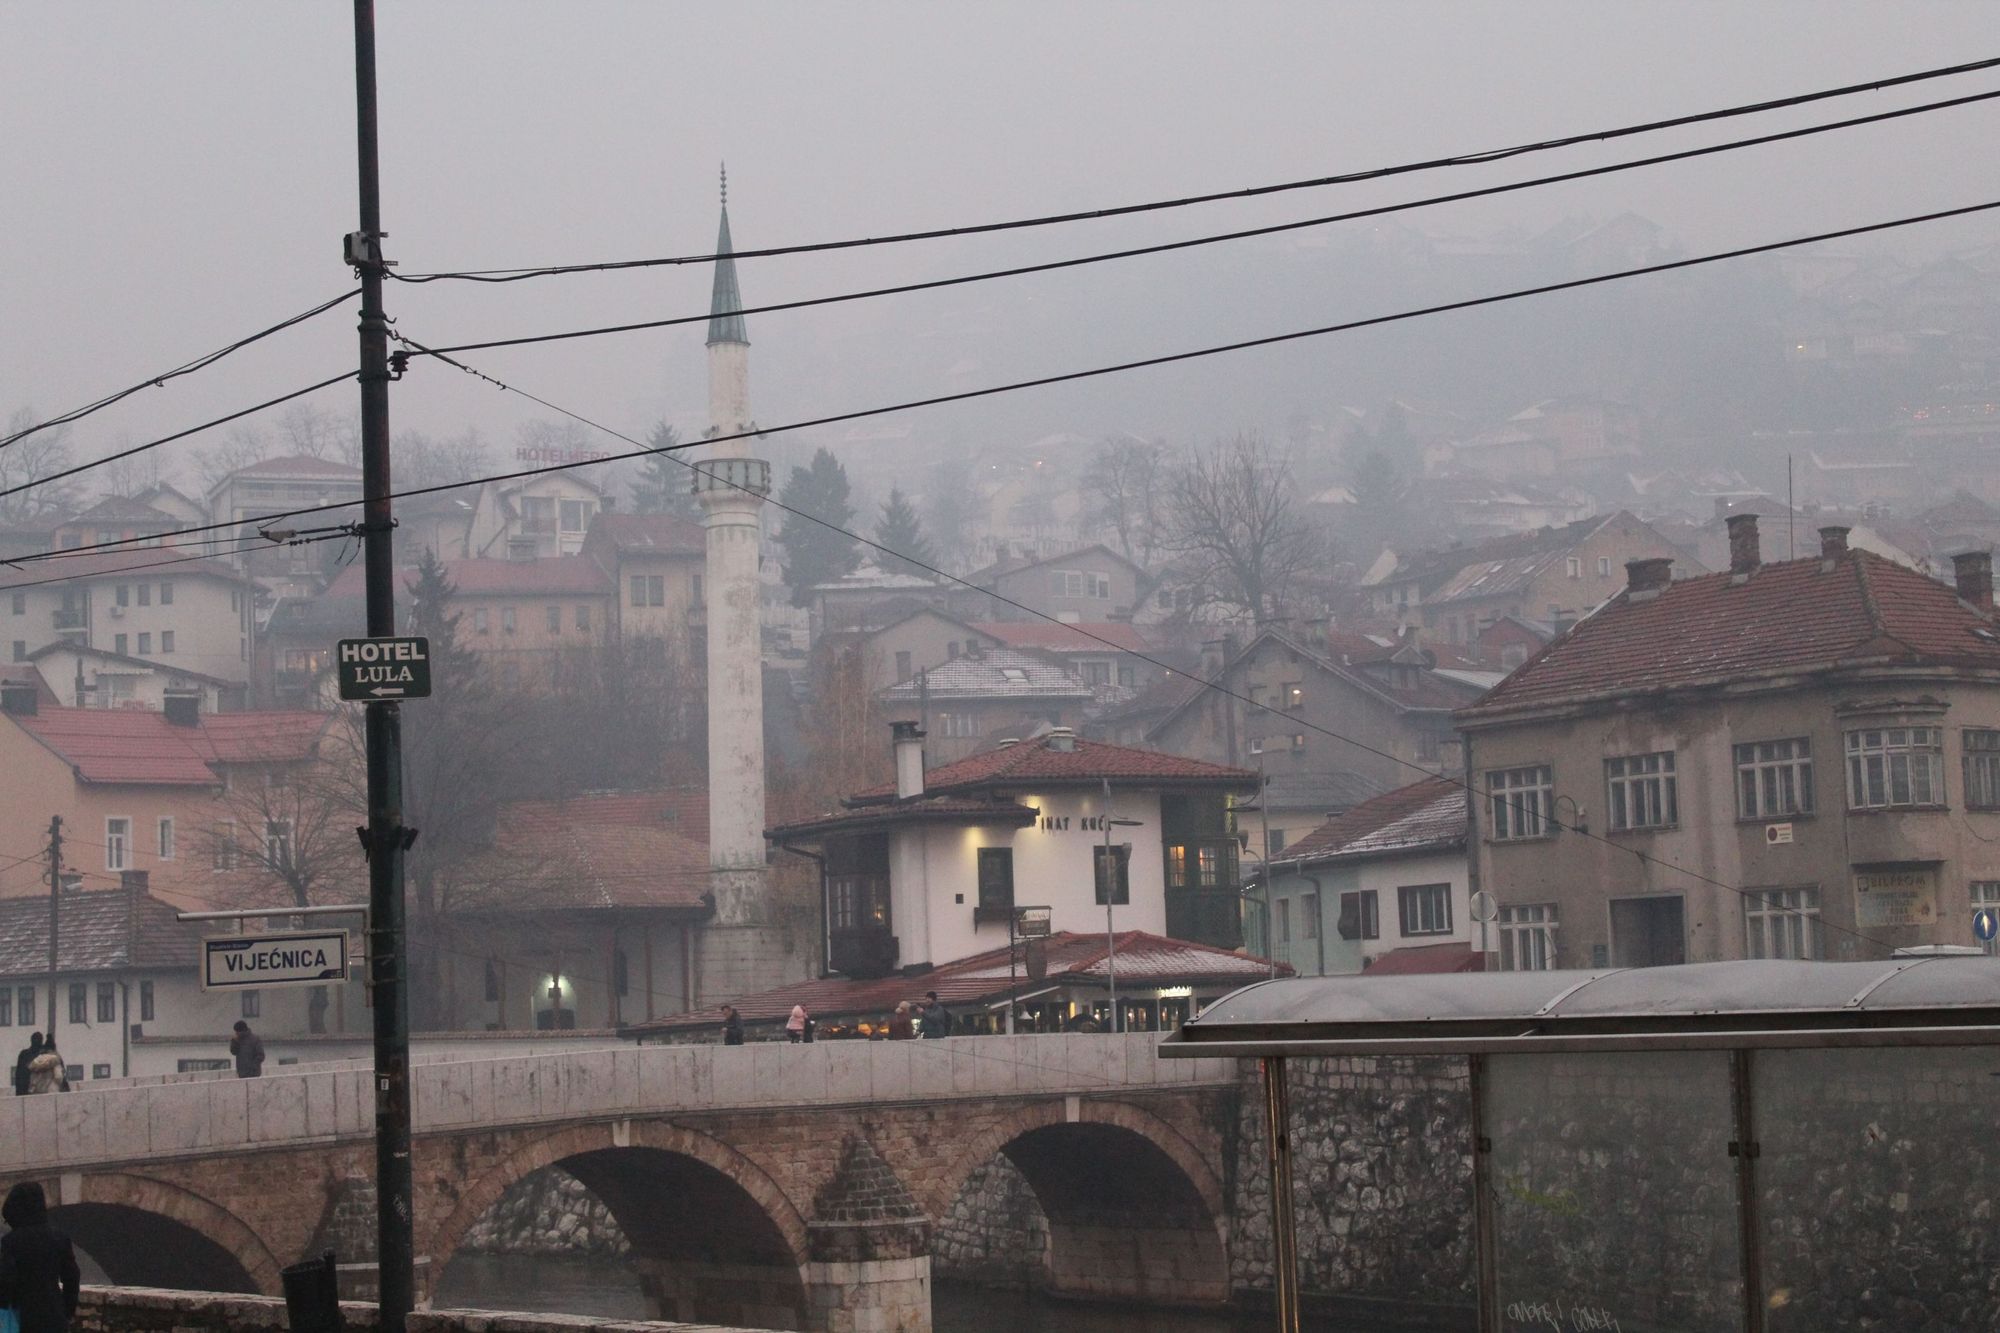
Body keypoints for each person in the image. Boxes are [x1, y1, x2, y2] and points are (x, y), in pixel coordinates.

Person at [0, 1181, 80, 1333]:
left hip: (23, 1319)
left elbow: (5, 1282)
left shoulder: (12, 1242)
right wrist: (66, 1312)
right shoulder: (59, 1238)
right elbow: (72, 1278)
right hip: (55, 1318)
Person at [12, 1033, 42, 1098]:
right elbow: (19, 1075)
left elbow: (18, 1075)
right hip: (29, 1090)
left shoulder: (24, 1054)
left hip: (27, 1091)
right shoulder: (43, 1055)